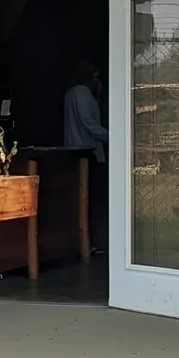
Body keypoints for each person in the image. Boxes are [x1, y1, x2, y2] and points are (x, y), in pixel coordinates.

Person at [63, 58, 108, 253]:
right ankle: (94, 241)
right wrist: (111, 136)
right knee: (94, 198)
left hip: (76, 149)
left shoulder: (70, 93)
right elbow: (88, 122)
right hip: (88, 151)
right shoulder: (82, 93)